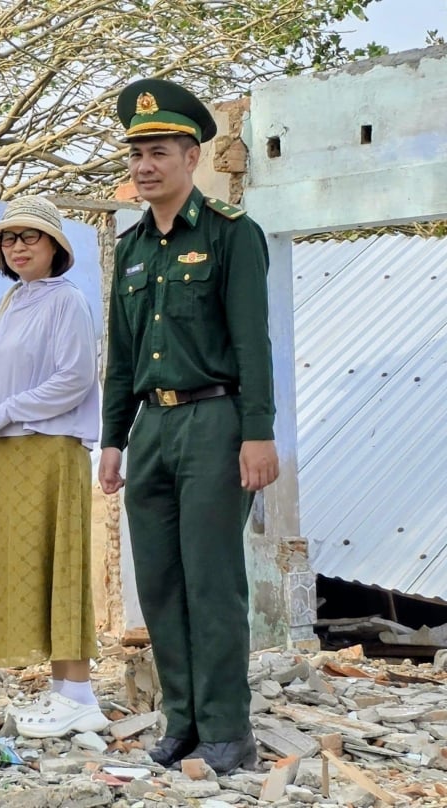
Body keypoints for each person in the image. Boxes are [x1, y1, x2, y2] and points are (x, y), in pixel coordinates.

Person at [98, 79, 279, 775]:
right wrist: (113, 440)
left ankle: (228, 730)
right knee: (161, 585)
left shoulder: (232, 234)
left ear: (192, 156)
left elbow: (253, 342)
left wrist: (257, 432)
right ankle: (183, 723)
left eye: (159, 152)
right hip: (151, 428)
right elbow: (122, 355)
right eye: (136, 153)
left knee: (211, 582)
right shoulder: (133, 247)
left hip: (214, 421)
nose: (145, 165)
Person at [0, 196, 107, 738]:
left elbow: (75, 379)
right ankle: (63, 691)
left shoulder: (67, 300)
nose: (17, 247)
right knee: (28, 568)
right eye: (9, 238)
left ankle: (80, 692)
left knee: (61, 563)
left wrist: (0, 412)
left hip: (50, 446)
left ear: (54, 246)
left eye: (29, 237)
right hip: (10, 451)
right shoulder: (10, 301)